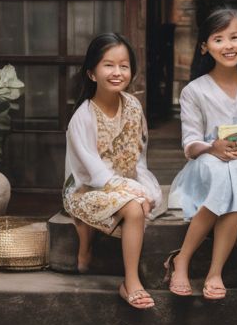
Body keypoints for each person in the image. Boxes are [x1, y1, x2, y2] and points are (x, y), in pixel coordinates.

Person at [164, 4, 237, 301]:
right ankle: (187, 261)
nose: (228, 46)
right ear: (204, 47)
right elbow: (190, 145)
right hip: (207, 163)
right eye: (218, 39)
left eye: (234, 37)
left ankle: (208, 268)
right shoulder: (194, 91)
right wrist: (213, 147)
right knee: (226, 181)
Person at [62, 33, 165, 310]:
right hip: (87, 189)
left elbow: (138, 159)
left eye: (124, 65)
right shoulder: (82, 117)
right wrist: (136, 194)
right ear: (92, 73)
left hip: (124, 184)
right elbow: (97, 176)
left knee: (140, 204)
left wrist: (145, 189)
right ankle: (130, 282)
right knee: (133, 209)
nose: (117, 72)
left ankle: (88, 236)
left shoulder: (133, 106)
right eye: (108, 65)